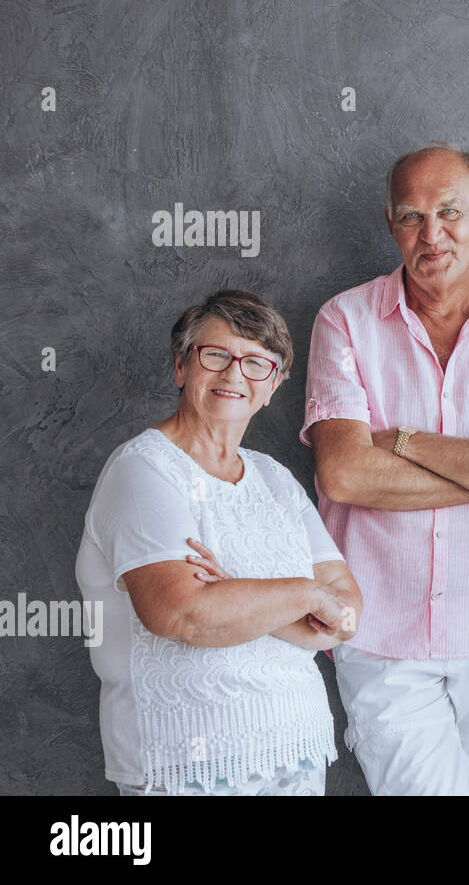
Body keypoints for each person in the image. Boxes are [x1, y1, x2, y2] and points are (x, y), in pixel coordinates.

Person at [302, 142, 469, 795]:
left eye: (449, 212)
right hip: (381, 632)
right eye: (412, 217)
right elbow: (346, 476)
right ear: (391, 225)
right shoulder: (344, 322)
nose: (432, 234)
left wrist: (406, 443)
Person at [75, 290, 362, 795]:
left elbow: (346, 614)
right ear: (182, 367)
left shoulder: (273, 479)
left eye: (256, 363)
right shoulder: (143, 469)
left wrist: (236, 590)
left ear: (272, 386)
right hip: (188, 761)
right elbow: (181, 614)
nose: (234, 375)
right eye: (216, 355)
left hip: (293, 750)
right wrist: (305, 596)